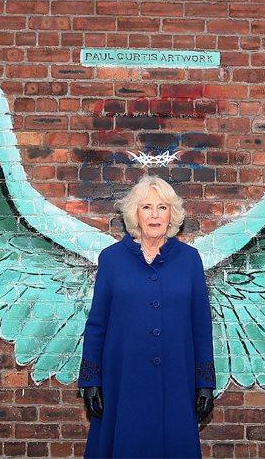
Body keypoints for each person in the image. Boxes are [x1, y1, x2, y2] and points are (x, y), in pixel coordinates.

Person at [77, 175, 216, 458]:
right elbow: (96, 324)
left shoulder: (190, 260)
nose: (155, 215)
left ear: (172, 215)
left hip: (177, 377)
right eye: (146, 207)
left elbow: (201, 325)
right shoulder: (111, 259)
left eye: (162, 207)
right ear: (134, 214)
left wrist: (205, 383)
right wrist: (90, 380)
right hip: (122, 378)